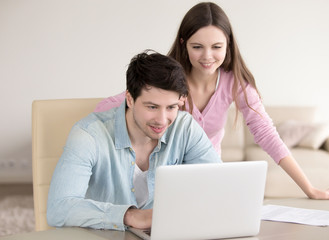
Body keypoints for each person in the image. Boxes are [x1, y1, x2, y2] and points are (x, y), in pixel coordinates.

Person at [94, 2, 329, 200]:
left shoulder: (234, 83)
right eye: (197, 47)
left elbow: (268, 135)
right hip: (165, 178)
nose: (207, 56)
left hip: (209, 178)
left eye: (216, 46)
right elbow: (106, 108)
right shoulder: (167, 80)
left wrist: (310, 189)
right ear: (183, 44)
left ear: (228, 44)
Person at [46, 50, 221, 231]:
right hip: (107, 235)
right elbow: (59, 209)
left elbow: (219, 186)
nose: (162, 120)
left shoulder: (185, 128)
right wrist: (129, 216)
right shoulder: (89, 135)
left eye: (171, 107)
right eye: (152, 107)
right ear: (129, 99)